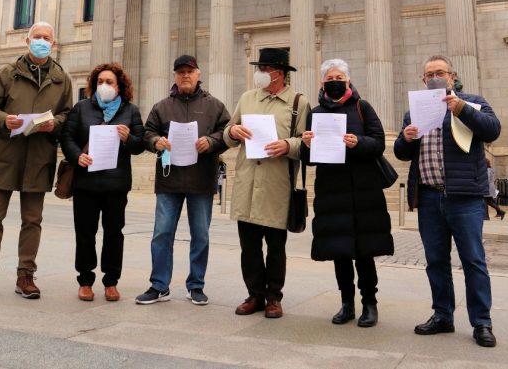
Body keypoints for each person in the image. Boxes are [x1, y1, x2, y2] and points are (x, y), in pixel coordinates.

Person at [394, 55, 501, 348]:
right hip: (429, 197)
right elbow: (401, 153)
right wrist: (406, 137)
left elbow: (492, 130)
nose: (434, 78)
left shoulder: (473, 102)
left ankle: (482, 322)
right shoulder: (413, 111)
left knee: (473, 261)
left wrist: (461, 108)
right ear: (423, 81)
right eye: (428, 74)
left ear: (452, 77)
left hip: (465, 198)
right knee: (436, 261)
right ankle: (443, 315)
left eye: (440, 72)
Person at [0, 21, 73, 300]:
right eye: (37, 37)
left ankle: (25, 275)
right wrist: (6, 120)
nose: (42, 41)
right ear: (27, 41)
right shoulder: (8, 73)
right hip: (7, 154)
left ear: (53, 44)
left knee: (32, 220)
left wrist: (56, 124)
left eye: (47, 38)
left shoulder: (62, 78)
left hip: (39, 156)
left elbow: (68, 114)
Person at [300, 59, 393, 328]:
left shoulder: (363, 107)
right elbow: (309, 159)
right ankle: (346, 303)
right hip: (332, 191)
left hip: (364, 191)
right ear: (322, 83)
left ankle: (370, 303)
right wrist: (306, 145)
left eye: (340, 76)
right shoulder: (315, 113)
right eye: (330, 77)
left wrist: (358, 142)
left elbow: (378, 142)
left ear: (348, 80)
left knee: (365, 251)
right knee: (339, 250)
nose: (335, 81)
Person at [135, 55, 230, 307]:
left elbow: (228, 132)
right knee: (162, 233)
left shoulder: (215, 106)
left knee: (201, 235)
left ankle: (196, 285)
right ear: (175, 76)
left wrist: (211, 141)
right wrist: (156, 141)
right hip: (169, 180)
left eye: (190, 71)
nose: (185, 75)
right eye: (180, 72)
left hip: (201, 179)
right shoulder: (162, 106)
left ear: (199, 73)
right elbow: (147, 133)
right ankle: (159, 285)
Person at [223, 48, 310, 319]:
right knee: (248, 245)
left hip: (277, 185)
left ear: (279, 73)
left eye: (264, 69)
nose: (259, 74)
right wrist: (232, 131)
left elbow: (305, 141)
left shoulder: (298, 103)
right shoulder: (247, 98)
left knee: (275, 246)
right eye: (258, 68)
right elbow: (228, 131)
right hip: (248, 181)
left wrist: (287, 145)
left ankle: (274, 296)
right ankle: (255, 294)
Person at [60, 62, 144, 302]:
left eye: (109, 82)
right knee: (85, 232)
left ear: (120, 86)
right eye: (100, 82)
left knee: (114, 233)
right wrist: (77, 156)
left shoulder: (131, 111)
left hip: (115, 185)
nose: (104, 86)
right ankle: (85, 280)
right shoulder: (81, 108)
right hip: (86, 183)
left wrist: (129, 138)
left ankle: (111, 281)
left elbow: (139, 146)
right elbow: (67, 137)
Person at [484, 155, 505, 220]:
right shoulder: (490, 169)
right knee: (489, 202)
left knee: (486, 202)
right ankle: (500, 212)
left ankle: (486, 216)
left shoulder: (487, 170)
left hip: (487, 188)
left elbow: (486, 180)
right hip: (490, 188)